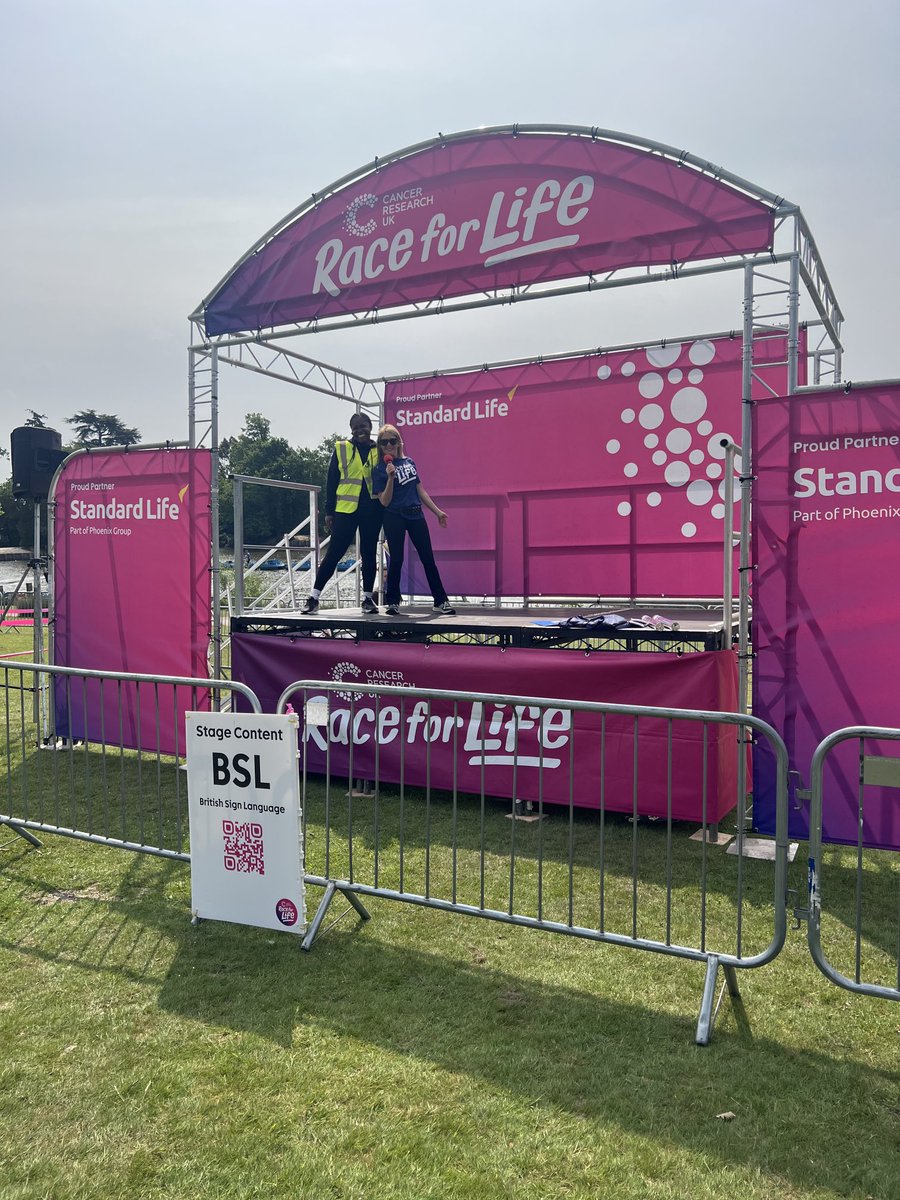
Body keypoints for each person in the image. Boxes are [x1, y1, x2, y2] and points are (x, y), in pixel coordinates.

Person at [302, 411, 383, 614]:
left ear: (370, 426)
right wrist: (329, 512)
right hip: (345, 509)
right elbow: (331, 481)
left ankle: (367, 599)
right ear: (351, 430)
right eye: (355, 427)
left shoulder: (379, 449)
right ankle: (314, 597)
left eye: (363, 426)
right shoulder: (341, 448)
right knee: (334, 554)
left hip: (372, 509)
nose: (359, 430)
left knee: (369, 553)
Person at [371, 423, 456, 616]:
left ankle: (440, 600)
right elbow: (384, 501)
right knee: (397, 559)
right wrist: (390, 478)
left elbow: (421, 490)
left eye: (393, 440)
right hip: (393, 515)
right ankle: (393, 602)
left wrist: (438, 512)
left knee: (427, 558)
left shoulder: (410, 462)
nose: (389, 445)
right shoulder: (379, 469)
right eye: (384, 442)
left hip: (415, 513)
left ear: (399, 442)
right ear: (380, 446)